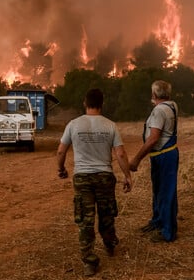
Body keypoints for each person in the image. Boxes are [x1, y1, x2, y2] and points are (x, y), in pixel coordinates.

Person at [57, 88, 133, 277]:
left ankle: (90, 262)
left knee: (86, 220)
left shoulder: (73, 124)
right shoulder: (110, 125)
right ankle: (109, 244)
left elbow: (61, 151)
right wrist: (128, 176)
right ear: (102, 103)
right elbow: (121, 153)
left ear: (85, 102)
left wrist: (61, 169)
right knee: (106, 214)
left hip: (82, 178)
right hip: (104, 176)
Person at [129, 80, 179, 243]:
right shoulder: (172, 105)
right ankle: (157, 221)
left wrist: (136, 159)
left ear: (154, 95)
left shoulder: (159, 110)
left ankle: (167, 231)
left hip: (164, 155)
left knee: (166, 192)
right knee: (159, 190)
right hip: (166, 154)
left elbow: (153, 139)